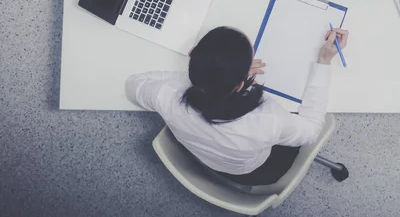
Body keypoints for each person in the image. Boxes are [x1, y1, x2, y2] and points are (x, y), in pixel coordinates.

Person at [125, 25, 349, 186]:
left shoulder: (167, 95)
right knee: (293, 132)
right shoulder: (267, 119)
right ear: (241, 84)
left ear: (192, 55)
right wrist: (323, 63)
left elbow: (133, 85)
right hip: (253, 171)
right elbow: (310, 132)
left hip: (202, 155)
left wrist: (214, 75)